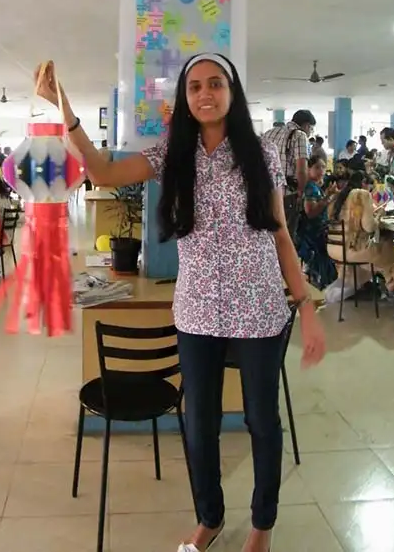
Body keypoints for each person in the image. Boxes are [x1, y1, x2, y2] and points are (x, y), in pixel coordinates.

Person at [36, 55, 325, 552]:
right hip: (196, 312)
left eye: (215, 84)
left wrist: (308, 306)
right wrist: (67, 111)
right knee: (198, 424)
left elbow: (279, 235)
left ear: (232, 92)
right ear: (185, 99)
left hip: (258, 309)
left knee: (262, 420)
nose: (205, 93)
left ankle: (262, 526)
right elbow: (102, 173)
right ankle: (209, 519)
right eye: (195, 87)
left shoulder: (260, 153)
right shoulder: (174, 152)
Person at [328, 171, 394, 293]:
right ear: (364, 183)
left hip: (334, 248)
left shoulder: (339, 196)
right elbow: (369, 227)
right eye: (371, 187)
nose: (371, 191)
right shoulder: (361, 195)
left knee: (385, 250)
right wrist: (378, 216)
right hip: (352, 250)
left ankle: (391, 285)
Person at [263, 109, 316, 239]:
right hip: (287, 194)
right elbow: (301, 169)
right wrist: (300, 193)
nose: (310, 132)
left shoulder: (269, 133)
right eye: (311, 129)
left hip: (265, 192)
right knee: (286, 236)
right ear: (307, 125)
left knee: (268, 235)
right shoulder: (299, 135)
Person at [296, 157, 337, 289]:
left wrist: (328, 195)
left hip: (319, 230)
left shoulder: (314, 186)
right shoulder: (310, 188)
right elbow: (311, 212)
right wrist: (326, 199)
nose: (322, 171)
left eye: (324, 167)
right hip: (313, 233)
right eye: (317, 167)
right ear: (308, 169)